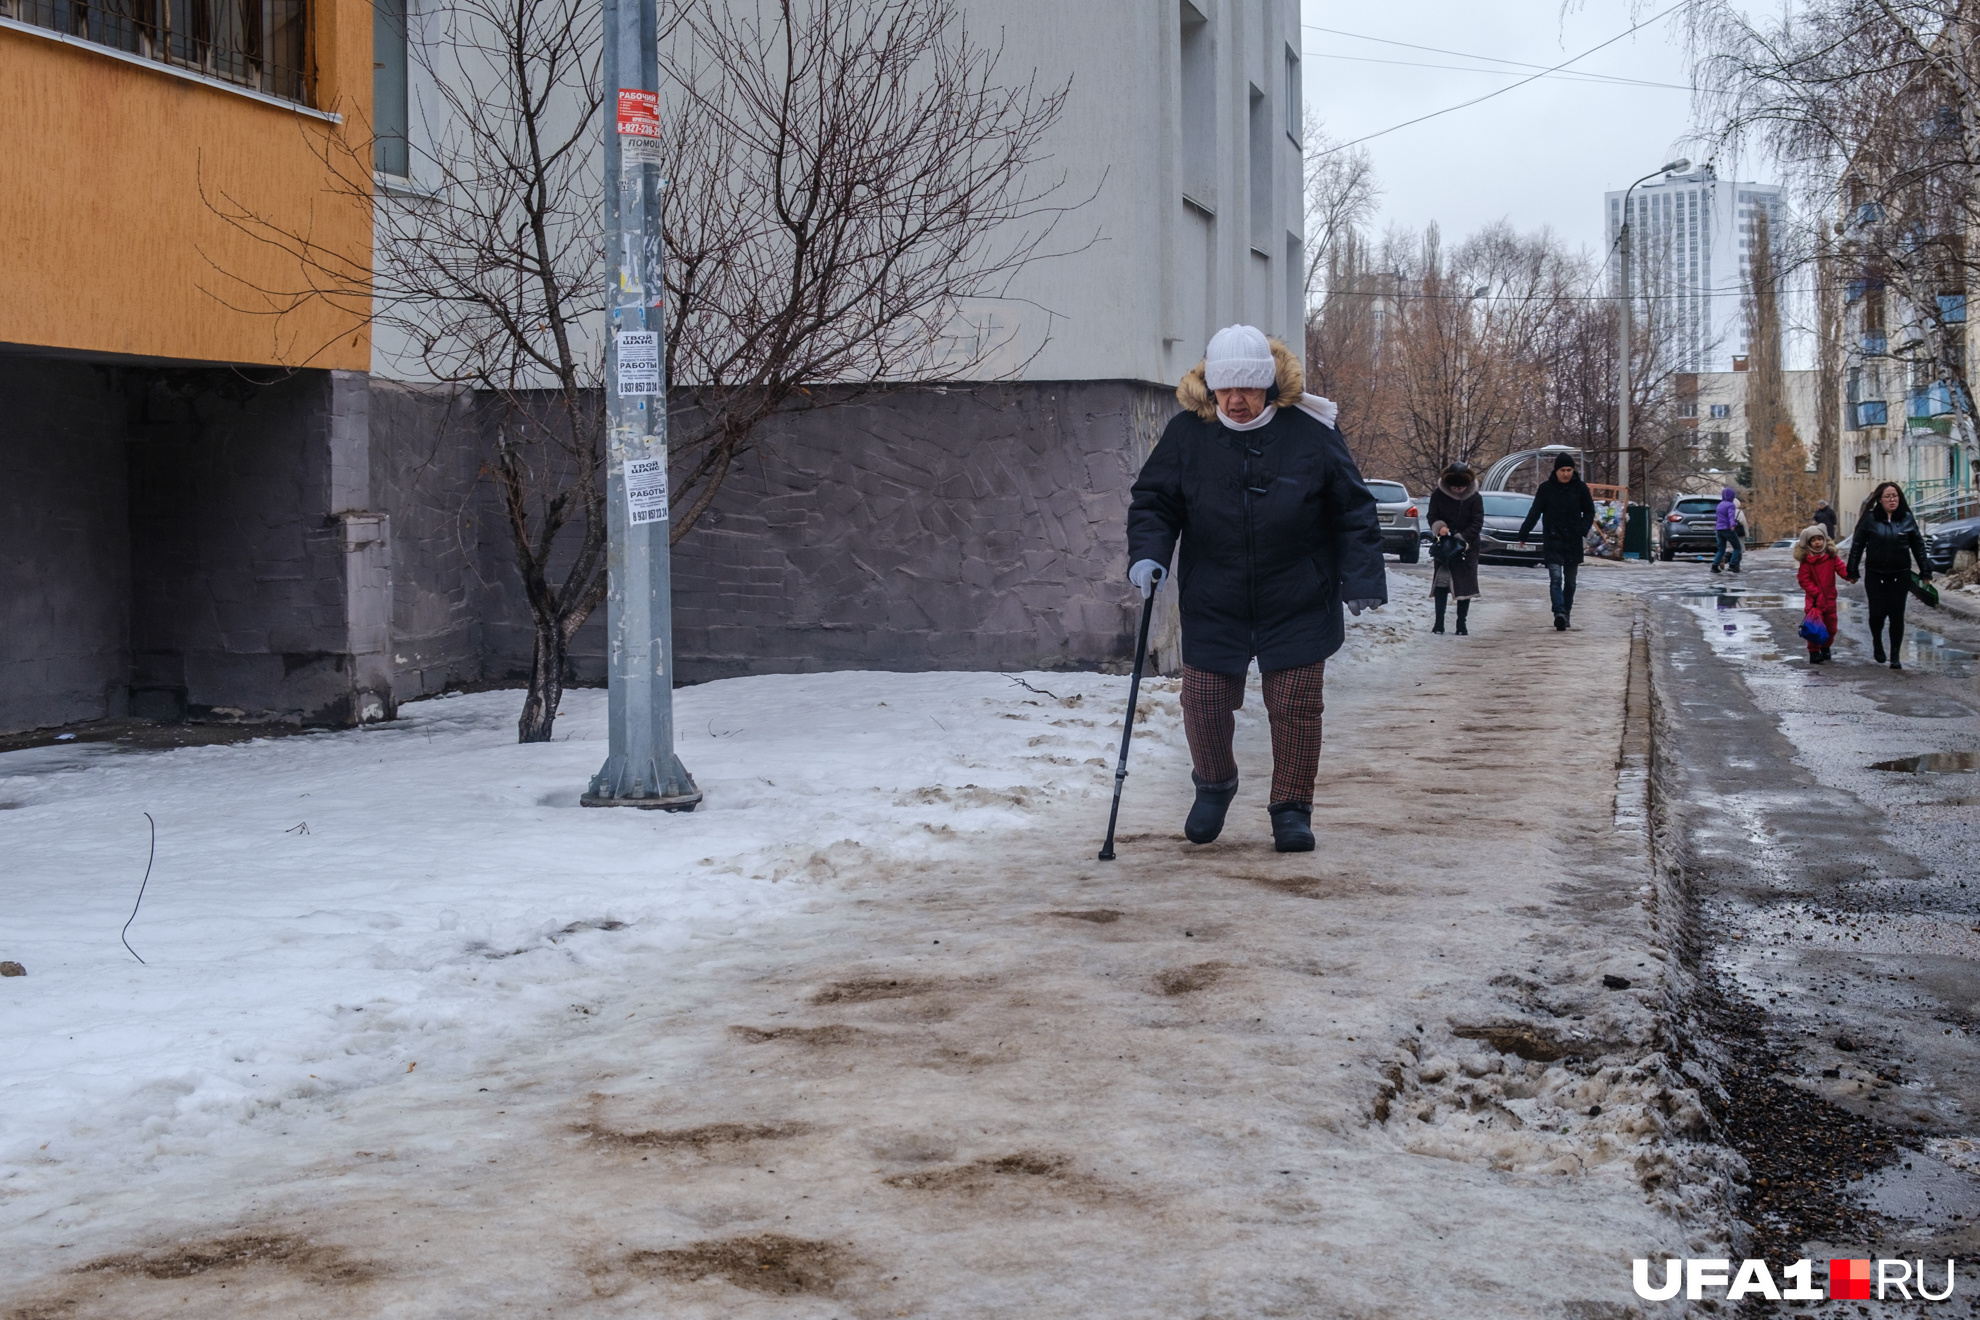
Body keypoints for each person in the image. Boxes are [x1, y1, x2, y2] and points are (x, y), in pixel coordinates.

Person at [1127, 325, 1386, 853]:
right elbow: (1155, 501)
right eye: (1227, 388)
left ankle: (1291, 807)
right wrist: (1149, 553)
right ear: (1211, 386)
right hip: (1214, 596)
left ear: (1269, 385)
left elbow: (1353, 508)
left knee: (1294, 704)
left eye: (1249, 388)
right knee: (1202, 700)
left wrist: (1361, 577)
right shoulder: (1188, 434)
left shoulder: (1310, 433)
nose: (1238, 400)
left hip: (1297, 595)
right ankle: (1214, 783)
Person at [1845, 481, 1932, 669]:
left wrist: (1925, 571)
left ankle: (1895, 656)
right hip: (1875, 574)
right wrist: (1852, 570)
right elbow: (1857, 545)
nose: (1892, 500)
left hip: (1900, 574)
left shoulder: (1907, 518)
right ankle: (1877, 641)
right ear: (1880, 500)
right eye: (1888, 497)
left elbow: (1918, 546)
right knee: (1877, 614)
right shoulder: (1870, 519)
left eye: (1895, 496)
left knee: (1896, 615)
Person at [1515, 452, 1596, 631]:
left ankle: (1566, 612)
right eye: (1562, 470)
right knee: (1556, 578)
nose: (1566, 473)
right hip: (1553, 539)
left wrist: (1582, 529)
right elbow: (1535, 511)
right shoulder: (1546, 489)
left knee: (1571, 581)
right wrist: (1523, 533)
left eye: (1569, 470)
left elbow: (1590, 511)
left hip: (1573, 540)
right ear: (1556, 471)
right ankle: (1558, 612)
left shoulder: (1580, 488)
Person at [1426, 460, 1483, 634]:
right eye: (1455, 487)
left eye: (1462, 487)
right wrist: (1440, 526)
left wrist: (1461, 538)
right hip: (1444, 546)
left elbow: (1477, 522)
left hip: (1468, 547)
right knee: (1442, 583)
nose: (1459, 490)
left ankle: (1461, 624)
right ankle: (1439, 623)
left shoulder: (1475, 497)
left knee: (1465, 586)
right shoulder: (1438, 495)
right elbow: (1432, 515)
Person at [1794, 524, 1843, 665]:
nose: (1817, 543)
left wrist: (1850, 575)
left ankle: (1826, 646)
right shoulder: (1806, 562)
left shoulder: (1831, 558)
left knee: (1831, 628)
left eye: (1819, 539)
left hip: (1830, 599)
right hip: (1814, 600)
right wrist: (1815, 593)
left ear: (1824, 540)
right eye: (1813, 540)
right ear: (1808, 543)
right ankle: (1814, 652)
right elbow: (1803, 579)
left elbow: (1841, 568)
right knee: (1814, 627)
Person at [1711, 486, 1743, 574]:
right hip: (1727, 529)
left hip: (1719, 529)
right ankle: (1732, 565)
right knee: (1737, 547)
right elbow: (1730, 516)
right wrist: (1732, 525)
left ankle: (1714, 566)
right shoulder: (1730, 505)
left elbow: (1718, 517)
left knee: (1721, 549)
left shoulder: (1720, 504)